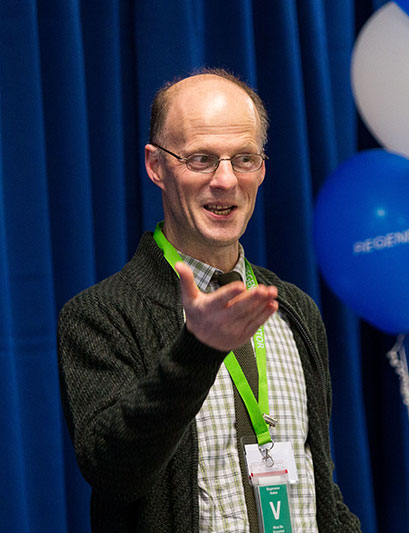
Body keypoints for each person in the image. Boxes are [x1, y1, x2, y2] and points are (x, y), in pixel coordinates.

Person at [57, 68, 361, 532]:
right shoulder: (100, 316)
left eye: (243, 158)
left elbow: (317, 488)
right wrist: (198, 349)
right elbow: (114, 472)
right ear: (156, 166)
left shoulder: (294, 311)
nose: (225, 181)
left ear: (261, 169)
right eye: (201, 159)